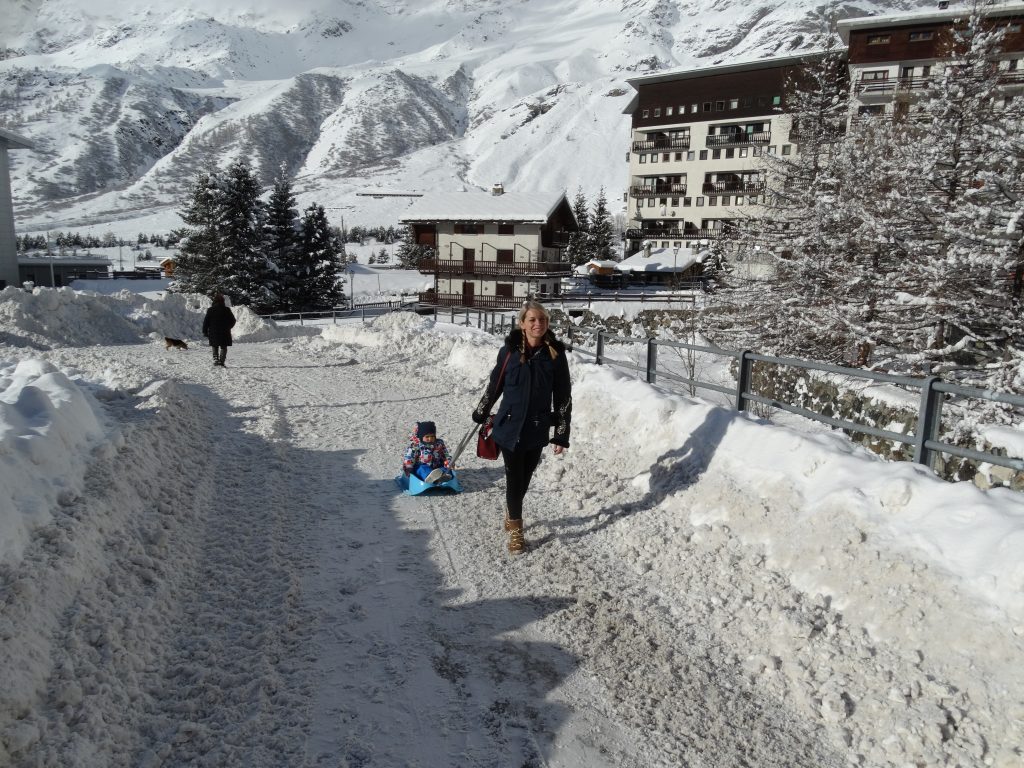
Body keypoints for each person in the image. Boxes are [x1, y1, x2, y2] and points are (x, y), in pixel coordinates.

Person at [472, 300, 571, 554]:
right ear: (522, 323)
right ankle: (516, 530)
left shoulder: (556, 355)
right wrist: (482, 410)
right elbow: (495, 385)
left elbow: (563, 396)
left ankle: (511, 509)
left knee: (524, 481)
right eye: (533, 320)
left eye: (543, 320)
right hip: (509, 427)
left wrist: (561, 433)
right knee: (515, 481)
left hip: (537, 429)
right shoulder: (509, 352)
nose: (539, 324)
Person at [202, 293, 236, 367]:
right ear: (223, 301)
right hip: (225, 332)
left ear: (214, 301)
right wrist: (228, 327)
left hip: (213, 332)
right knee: (223, 347)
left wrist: (205, 331)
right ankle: (222, 362)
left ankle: (216, 360)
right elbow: (233, 320)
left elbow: (206, 321)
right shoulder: (227, 309)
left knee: (215, 345)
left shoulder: (210, 310)